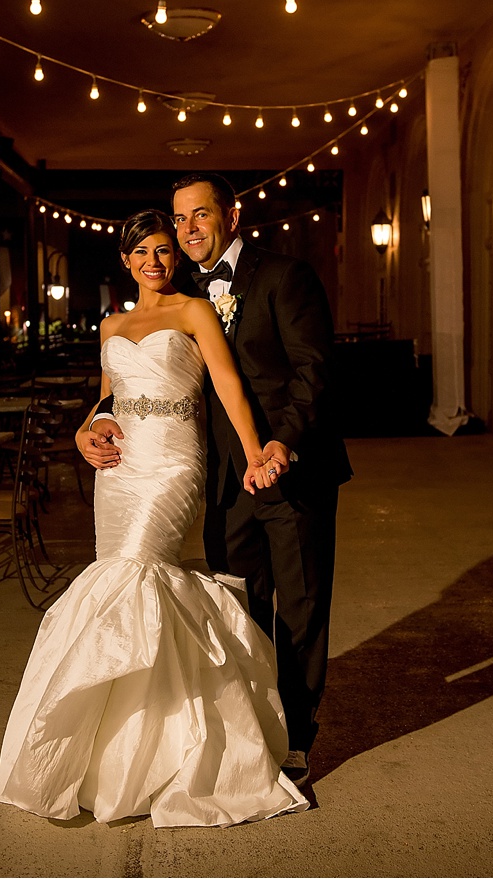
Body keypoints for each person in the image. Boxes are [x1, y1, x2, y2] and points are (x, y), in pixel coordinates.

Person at [0, 209, 309, 828]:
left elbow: (226, 385)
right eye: (142, 253)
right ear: (126, 261)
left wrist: (254, 455)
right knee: (120, 580)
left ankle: (189, 755)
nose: (155, 263)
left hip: (171, 461)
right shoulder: (111, 322)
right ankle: (120, 755)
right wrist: (90, 428)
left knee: (137, 574)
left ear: (174, 256)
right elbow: (108, 395)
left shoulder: (194, 312)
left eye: (165, 251)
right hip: (118, 468)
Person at [86, 174, 352, 788]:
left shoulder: (285, 276)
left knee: (301, 609)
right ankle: (249, 728)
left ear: (232, 216)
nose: (187, 230)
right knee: (235, 606)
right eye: (179, 221)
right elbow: (131, 387)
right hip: (217, 478)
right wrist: (90, 426)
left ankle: (296, 742)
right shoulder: (174, 293)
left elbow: (313, 371)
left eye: (200, 215)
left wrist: (280, 442)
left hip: (289, 470)